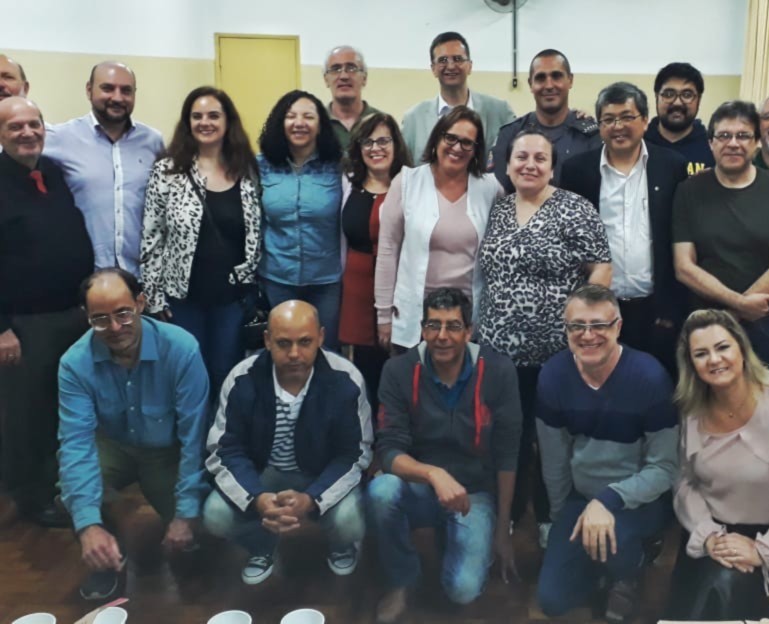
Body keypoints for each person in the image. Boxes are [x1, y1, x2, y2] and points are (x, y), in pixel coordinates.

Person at [478, 130, 612, 547]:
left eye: (540, 158)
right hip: (499, 352)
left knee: (553, 439)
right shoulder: (498, 208)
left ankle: (552, 513)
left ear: (552, 167)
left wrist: (584, 328)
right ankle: (510, 510)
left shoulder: (574, 208)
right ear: (507, 164)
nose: (530, 165)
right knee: (509, 435)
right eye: (521, 157)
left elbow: (601, 269)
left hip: (558, 353)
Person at [666, 309, 769, 620]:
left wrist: (763, 550)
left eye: (722, 347)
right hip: (706, 531)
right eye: (701, 354)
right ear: (691, 364)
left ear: (742, 350)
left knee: (725, 585)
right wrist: (709, 536)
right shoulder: (692, 410)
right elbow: (685, 482)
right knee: (690, 607)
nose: (714, 359)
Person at [368, 288, 521, 623]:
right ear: (422, 330)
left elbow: (508, 453)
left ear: (469, 331)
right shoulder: (398, 370)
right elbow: (389, 450)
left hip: (474, 492)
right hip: (420, 485)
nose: (442, 336)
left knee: (462, 589)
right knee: (381, 491)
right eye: (433, 325)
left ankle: (448, 540)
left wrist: (502, 530)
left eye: (453, 326)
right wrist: (433, 475)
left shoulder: (498, 371)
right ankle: (402, 580)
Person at [58, 268, 208, 600]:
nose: (114, 328)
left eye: (123, 313)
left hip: (167, 452)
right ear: (86, 316)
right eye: (100, 319)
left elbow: (194, 439)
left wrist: (185, 514)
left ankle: (188, 535)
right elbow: (75, 444)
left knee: (198, 530)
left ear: (140, 303)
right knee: (70, 490)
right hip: (114, 447)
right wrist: (88, 525)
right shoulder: (73, 363)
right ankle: (107, 558)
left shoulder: (181, 348)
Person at [535, 285, 678, 623]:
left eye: (599, 325)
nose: (588, 335)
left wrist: (607, 501)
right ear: (566, 329)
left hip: (639, 501)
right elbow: (554, 460)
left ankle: (630, 568)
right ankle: (604, 569)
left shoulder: (650, 378)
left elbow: (665, 467)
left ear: (618, 326)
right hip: (581, 497)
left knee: (617, 541)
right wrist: (561, 520)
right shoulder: (553, 376)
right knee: (551, 600)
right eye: (577, 326)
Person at [203, 300, 372, 585]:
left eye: (305, 342)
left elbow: (355, 455)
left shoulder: (346, 378)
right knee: (215, 515)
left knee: (349, 521)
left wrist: (312, 498)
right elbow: (225, 450)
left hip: (321, 473)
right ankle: (261, 546)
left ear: (321, 337)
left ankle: (340, 544)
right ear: (267, 340)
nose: (294, 353)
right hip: (263, 476)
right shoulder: (241, 378)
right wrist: (257, 498)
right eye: (283, 343)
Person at [0, 97, 93, 527]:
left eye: (33, 124)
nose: (27, 133)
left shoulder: (52, 171)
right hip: (23, 325)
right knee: (28, 415)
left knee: (65, 409)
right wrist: (1, 328)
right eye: (15, 126)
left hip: (71, 315)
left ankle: (64, 487)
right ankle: (32, 497)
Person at [559, 82, 689, 372]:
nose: (617, 126)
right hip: (599, 310)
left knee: (657, 382)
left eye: (627, 117)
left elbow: (678, 236)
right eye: (608, 119)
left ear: (645, 120)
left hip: (655, 309)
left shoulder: (671, 166)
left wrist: (671, 307)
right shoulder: (577, 171)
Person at [140, 86, 261, 398]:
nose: (205, 122)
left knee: (226, 374)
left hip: (231, 300)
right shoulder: (167, 170)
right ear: (187, 122)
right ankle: (190, 432)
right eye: (197, 116)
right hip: (183, 300)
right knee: (187, 375)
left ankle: (222, 430)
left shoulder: (246, 170)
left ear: (227, 121)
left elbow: (256, 234)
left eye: (213, 115)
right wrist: (154, 297)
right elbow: (152, 238)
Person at [672, 100, 769, 366]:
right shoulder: (689, 190)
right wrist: (738, 307)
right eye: (723, 136)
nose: (733, 143)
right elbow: (684, 267)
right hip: (704, 322)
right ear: (710, 143)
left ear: (756, 142)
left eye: (743, 135)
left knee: (759, 391)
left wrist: (737, 312)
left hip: (762, 321)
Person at [374, 106, 503, 351]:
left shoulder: (490, 188)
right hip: (415, 316)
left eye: (467, 142)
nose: (457, 147)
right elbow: (388, 250)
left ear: (476, 150)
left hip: (467, 319)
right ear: (436, 139)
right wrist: (383, 315)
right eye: (450, 138)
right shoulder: (407, 182)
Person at [45, 61, 165, 275]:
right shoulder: (60, 138)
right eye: (107, 88)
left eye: (126, 90)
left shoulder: (153, 141)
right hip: (82, 276)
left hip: (140, 277)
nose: (117, 98)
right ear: (89, 90)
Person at [257, 90, 344, 351]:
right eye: (291, 116)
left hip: (325, 280)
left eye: (308, 116)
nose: (299, 123)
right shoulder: (261, 166)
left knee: (325, 351)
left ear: (321, 125)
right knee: (284, 351)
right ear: (280, 123)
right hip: (277, 277)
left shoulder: (338, 166)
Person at [338, 112, 411, 412]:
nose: (375, 148)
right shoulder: (348, 183)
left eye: (383, 141)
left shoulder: (409, 184)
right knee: (364, 368)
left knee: (397, 368)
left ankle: (395, 429)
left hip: (397, 289)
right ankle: (366, 429)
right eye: (367, 142)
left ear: (396, 145)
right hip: (356, 289)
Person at [490, 49, 600, 192]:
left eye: (556, 76)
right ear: (530, 84)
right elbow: (498, 190)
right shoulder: (509, 134)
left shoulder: (591, 135)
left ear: (570, 80)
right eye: (541, 78)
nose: (549, 85)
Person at [401, 32, 515, 158]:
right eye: (443, 60)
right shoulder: (413, 119)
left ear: (470, 66)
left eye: (457, 59)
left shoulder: (500, 112)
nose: (450, 66)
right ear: (433, 69)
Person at [644, 62, 714, 176]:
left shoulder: (712, 147)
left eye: (687, 95)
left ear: (699, 100)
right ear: (656, 97)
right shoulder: (639, 142)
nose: (677, 102)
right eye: (669, 94)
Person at [323, 45, 381, 151]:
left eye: (351, 68)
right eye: (335, 69)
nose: (344, 76)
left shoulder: (381, 122)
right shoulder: (317, 123)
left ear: (364, 78)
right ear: (326, 79)